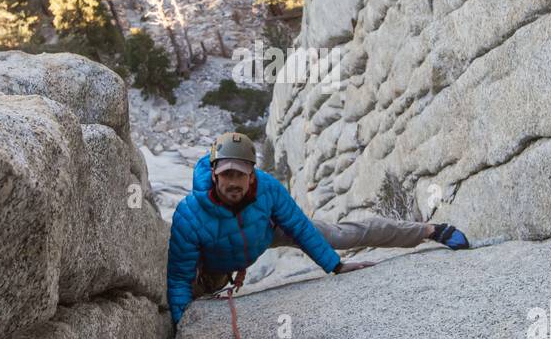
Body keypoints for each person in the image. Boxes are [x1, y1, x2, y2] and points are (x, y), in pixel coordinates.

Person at [165, 131, 470, 326]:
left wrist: (334, 265)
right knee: (192, 300)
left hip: (264, 233)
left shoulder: (268, 189)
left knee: (341, 234)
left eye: (240, 175)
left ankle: (430, 231)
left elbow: (297, 225)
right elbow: (179, 278)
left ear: (252, 175)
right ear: (214, 175)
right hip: (215, 265)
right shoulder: (190, 214)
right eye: (227, 174)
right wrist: (182, 329)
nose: (233, 182)